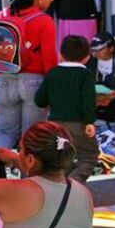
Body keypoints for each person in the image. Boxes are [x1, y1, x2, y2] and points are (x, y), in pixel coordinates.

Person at [0, 0, 58, 149]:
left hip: (3, 80)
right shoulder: (44, 21)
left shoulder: (0, 17)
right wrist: (53, 92)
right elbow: (49, 60)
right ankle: (27, 175)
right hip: (33, 84)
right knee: (32, 137)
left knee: (5, 133)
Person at [34, 36, 98, 183]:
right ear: (87, 57)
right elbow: (88, 100)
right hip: (79, 124)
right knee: (89, 155)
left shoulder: (53, 73)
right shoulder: (86, 75)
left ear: (60, 54)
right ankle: (74, 182)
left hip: (55, 125)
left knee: (62, 157)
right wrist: (89, 121)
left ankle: (61, 184)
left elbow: (39, 100)